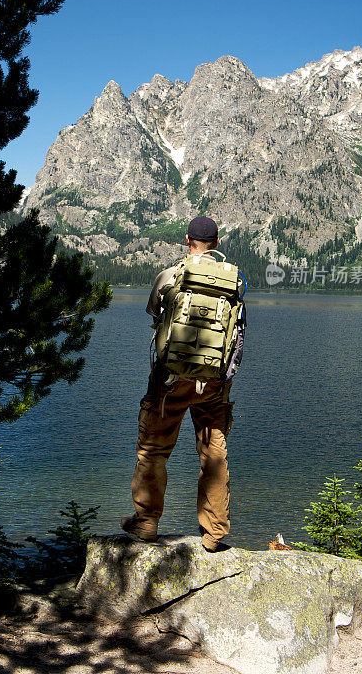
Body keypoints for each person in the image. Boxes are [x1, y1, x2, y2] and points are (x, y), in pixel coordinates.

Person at [121, 216, 245, 552]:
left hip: (169, 381)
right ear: (216, 243)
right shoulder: (234, 280)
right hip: (214, 382)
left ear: (186, 239)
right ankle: (215, 532)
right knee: (213, 453)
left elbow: (154, 316)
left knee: (153, 450)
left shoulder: (170, 275)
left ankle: (146, 523)